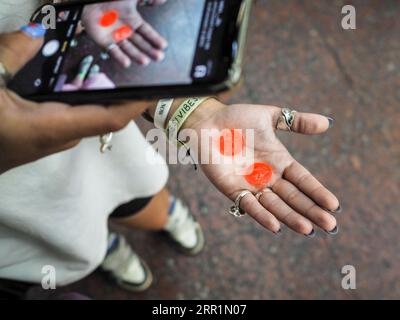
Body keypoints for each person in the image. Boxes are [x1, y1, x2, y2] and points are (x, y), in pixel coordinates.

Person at [0, 0, 340, 298]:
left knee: (132, 185)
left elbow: (105, 49)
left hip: (90, 128)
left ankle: (162, 217)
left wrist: (191, 114)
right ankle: (103, 245)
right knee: (71, 230)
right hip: (22, 199)